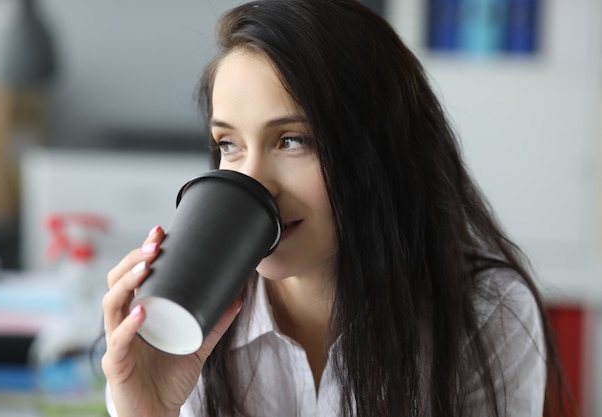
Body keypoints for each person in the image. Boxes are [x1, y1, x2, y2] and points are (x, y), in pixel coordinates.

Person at [101, 1, 573, 416]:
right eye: (228, 144)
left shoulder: (485, 314)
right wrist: (147, 413)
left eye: (292, 140)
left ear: (378, 151)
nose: (252, 182)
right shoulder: (185, 325)